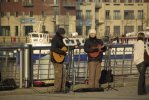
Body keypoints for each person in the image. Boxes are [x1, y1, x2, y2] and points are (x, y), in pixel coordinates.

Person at [50, 28, 67, 92]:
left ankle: (62, 88)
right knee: (58, 75)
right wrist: (62, 52)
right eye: (63, 33)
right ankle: (57, 89)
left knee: (63, 74)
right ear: (61, 33)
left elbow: (64, 48)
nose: (64, 34)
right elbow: (53, 49)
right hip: (56, 59)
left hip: (60, 59)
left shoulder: (59, 39)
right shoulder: (56, 39)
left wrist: (74, 47)